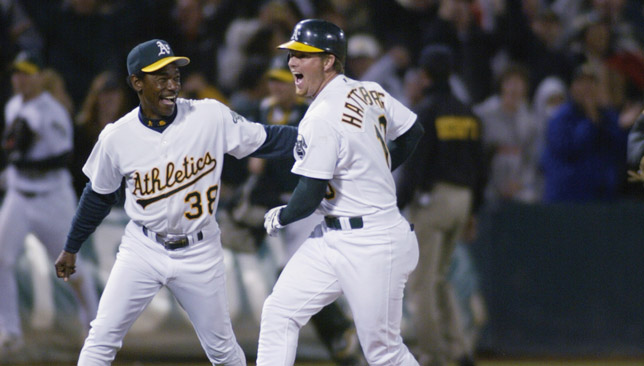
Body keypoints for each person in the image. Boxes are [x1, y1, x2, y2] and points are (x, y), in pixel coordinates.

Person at [53, 39, 299, 366]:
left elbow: (266, 139)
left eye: (175, 76)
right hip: (143, 248)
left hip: (200, 251)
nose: (172, 84)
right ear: (137, 83)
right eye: (161, 77)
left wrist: (316, 136)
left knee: (224, 351)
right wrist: (71, 247)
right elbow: (97, 195)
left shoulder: (209, 115)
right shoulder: (117, 136)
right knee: (101, 338)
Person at [257, 19, 425, 366]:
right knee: (280, 312)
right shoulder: (370, 90)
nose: (292, 62)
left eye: (302, 55)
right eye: (292, 54)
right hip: (332, 238)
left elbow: (310, 193)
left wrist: (283, 215)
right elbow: (412, 130)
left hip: (374, 242)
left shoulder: (320, 116)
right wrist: (378, 166)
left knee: (384, 351)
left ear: (329, 60)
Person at [235, 55, 366, 366]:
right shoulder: (261, 110)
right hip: (272, 206)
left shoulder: (309, 114)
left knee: (292, 277)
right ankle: (340, 336)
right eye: (274, 80)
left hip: (304, 204)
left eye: (283, 79)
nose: (277, 86)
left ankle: (341, 332)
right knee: (286, 279)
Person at [0, 50, 98, 353]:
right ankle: (9, 332)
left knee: (71, 269)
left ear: (41, 77)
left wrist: (23, 154)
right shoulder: (13, 106)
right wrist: (14, 161)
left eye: (28, 73)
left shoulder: (53, 112)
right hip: (19, 197)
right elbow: (14, 151)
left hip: (51, 200)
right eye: (17, 72)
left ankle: (95, 328)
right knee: (1, 259)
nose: (21, 79)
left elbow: (61, 159)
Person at [397, 44, 486, 366]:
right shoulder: (468, 112)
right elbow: (481, 167)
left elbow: (415, 168)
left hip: (434, 201)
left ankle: (433, 356)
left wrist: (396, 207)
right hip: (462, 200)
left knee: (420, 286)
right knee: (440, 278)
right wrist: (473, 210)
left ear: (424, 75)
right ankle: (459, 351)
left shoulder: (428, 110)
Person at [541, 63, 629, 202]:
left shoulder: (608, 117)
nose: (587, 88)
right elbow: (568, 149)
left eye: (591, 82)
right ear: (572, 88)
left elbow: (620, 149)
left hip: (602, 197)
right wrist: (590, 122)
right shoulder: (560, 118)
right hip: (568, 198)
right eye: (581, 83)